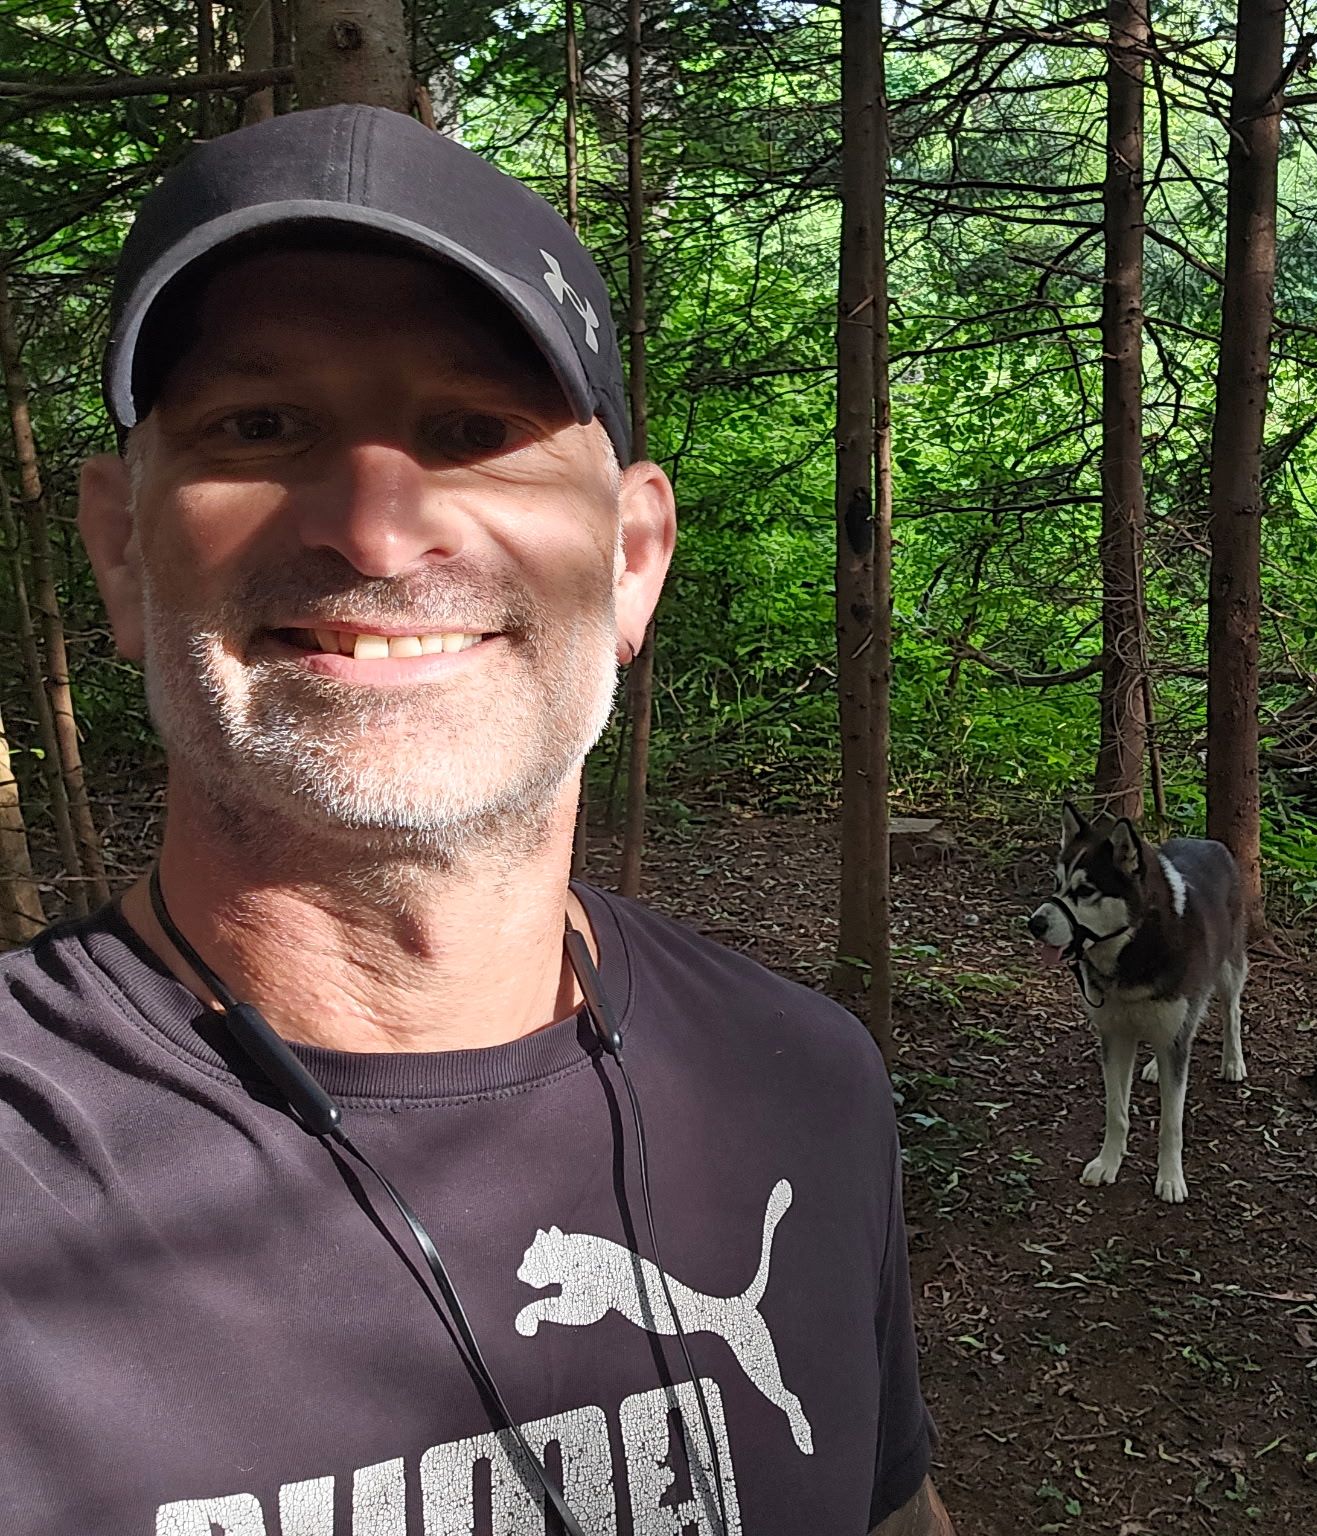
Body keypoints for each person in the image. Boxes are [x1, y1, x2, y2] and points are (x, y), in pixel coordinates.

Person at [0, 104, 951, 1536]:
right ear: (123, 550)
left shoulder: (805, 1081)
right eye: (262, 426)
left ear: (632, 561)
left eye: (477, 431)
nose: (378, 529)